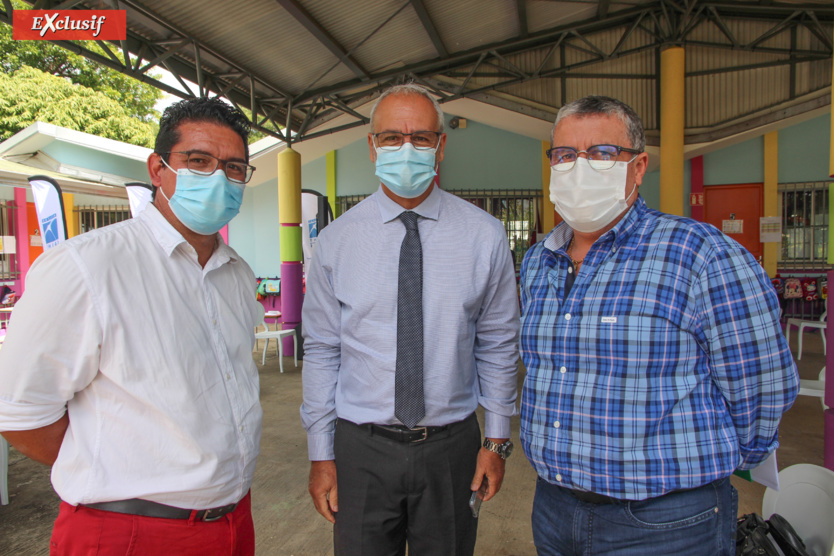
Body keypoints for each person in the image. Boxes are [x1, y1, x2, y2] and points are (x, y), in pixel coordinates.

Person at [519, 95, 799, 556]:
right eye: (566, 155)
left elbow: (762, 385)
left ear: (639, 165)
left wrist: (731, 457)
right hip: (554, 508)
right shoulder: (539, 262)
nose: (579, 167)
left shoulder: (701, 254)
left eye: (602, 154)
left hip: (666, 522)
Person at [0, 97, 263, 555]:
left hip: (232, 521)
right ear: (158, 169)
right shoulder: (86, 266)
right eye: (198, 161)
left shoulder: (236, 273)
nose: (219, 178)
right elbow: (21, 416)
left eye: (235, 167)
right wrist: (117, 464)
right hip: (129, 531)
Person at [301, 83, 520, 555]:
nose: (406, 149)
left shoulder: (485, 236)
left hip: (452, 447)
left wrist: (497, 439)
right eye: (391, 138)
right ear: (372, 145)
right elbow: (322, 349)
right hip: (361, 448)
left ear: (441, 146)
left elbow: (499, 341)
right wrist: (321, 452)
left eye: (421, 138)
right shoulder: (336, 242)